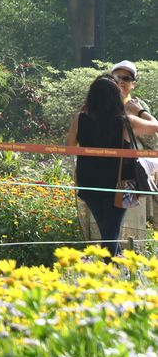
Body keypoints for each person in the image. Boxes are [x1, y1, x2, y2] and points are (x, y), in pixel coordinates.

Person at [66, 75, 158, 256]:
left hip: (88, 182)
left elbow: (69, 147)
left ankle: (114, 263)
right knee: (110, 231)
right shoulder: (125, 121)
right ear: (116, 96)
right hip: (118, 185)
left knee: (107, 230)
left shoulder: (80, 118)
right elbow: (155, 126)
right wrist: (140, 111)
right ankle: (113, 266)